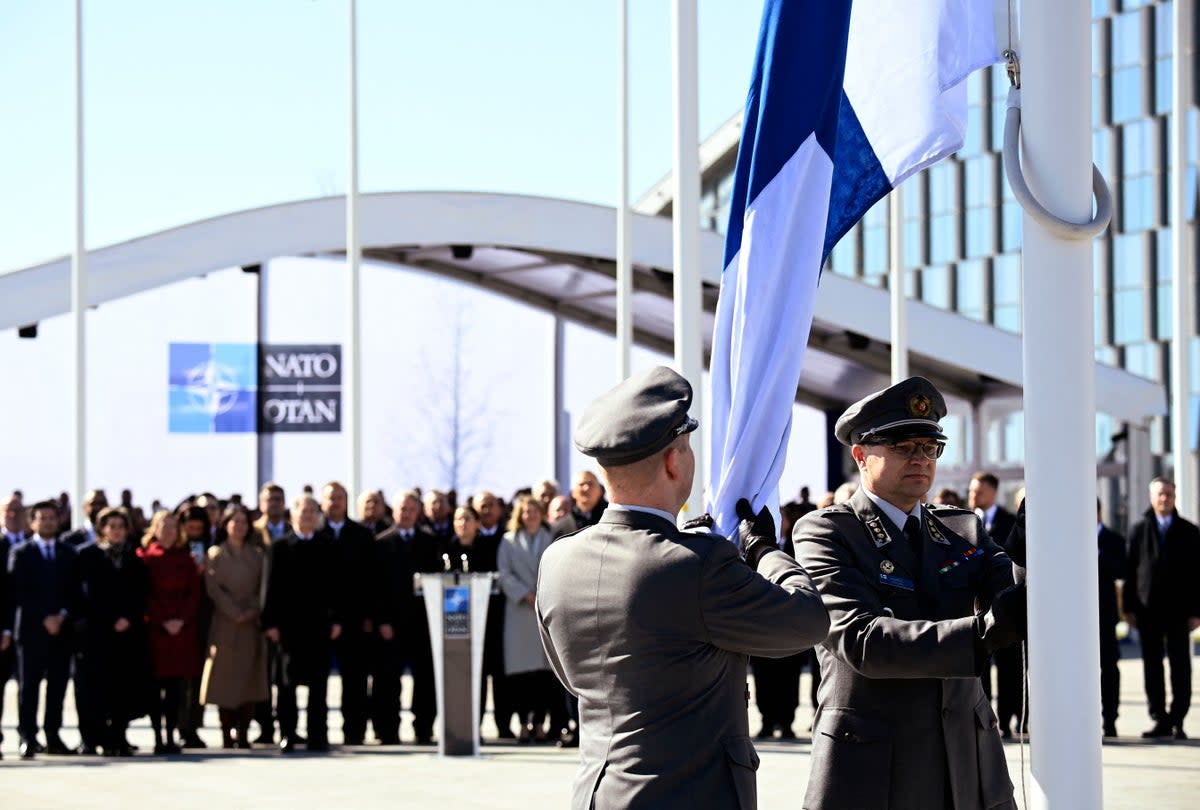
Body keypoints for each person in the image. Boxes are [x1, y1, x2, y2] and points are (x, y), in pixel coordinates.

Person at [538, 366, 829, 809]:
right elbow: (807, 621)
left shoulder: (559, 558)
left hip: (598, 794)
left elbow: (572, 676)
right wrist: (765, 552)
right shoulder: (697, 563)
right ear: (675, 461)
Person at [792, 376, 1025, 810]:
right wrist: (985, 632)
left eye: (929, 447)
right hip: (873, 770)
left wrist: (1032, 550)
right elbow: (862, 640)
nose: (920, 458)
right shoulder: (827, 532)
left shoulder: (963, 528)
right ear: (860, 455)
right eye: (903, 446)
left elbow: (1010, 593)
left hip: (966, 764)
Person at [1124, 477, 1200, 740]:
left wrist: (1196, 611)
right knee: (1152, 667)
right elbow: (1130, 573)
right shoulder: (1138, 530)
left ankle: (1178, 718)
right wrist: (1129, 609)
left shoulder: (1190, 532)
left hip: (1180, 612)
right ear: (1151, 497)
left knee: (1181, 667)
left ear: (1175, 496)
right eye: (1160, 494)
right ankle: (1159, 719)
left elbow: (1197, 574)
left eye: (1168, 494)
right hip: (1148, 610)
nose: (1164, 499)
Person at [263, 494, 341, 753]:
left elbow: (337, 588)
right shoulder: (280, 546)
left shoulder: (328, 545)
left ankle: (317, 734)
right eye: (303, 510)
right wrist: (270, 622)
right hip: (288, 628)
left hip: (319, 626)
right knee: (287, 685)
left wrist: (337, 620)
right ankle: (287, 733)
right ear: (293, 514)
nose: (308, 515)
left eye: (312, 511)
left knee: (319, 684)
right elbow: (270, 588)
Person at [7, 500, 81, 758]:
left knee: (58, 686)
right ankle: (27, 736)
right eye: (43, 518)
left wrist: (60, 616)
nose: (48, 522)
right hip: (31, 631)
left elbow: (74, 591)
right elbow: (18, 591)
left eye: (52, 518)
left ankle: (53, 734)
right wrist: (43, 617)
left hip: (61, 630)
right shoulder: (20, 552)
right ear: (32, 522)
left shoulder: (69, 553)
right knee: (29, 687)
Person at [74, 507, 151, 757]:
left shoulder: (134, 559)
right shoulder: (86, 556)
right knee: (91, 688)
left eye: (121, 526)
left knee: (122, 686)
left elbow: (141, 594)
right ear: (102, 529)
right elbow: (84, 595)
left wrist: (128, 618)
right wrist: (108, 619)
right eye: (111, 526)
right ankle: (90, 737)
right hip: (96, 633)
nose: (116, 531)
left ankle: (118, 735)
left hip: (126, 634)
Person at [373, 490, 446, 744]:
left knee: (425, 679)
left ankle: (423, 727)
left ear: (418, 513)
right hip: (391, 624)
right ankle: (387, 728)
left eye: (411, 509)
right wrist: (382, 620)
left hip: (422, 623)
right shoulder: (381, 543)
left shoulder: (430, 541)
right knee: (387, 679)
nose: (406, 514)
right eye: (402, 509)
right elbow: (375, 587)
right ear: (394, 512)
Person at [200, 505, 269, 749]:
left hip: (250, 626)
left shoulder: (258, 555)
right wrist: (234, 612)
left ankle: (243, 732)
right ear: (226, 524)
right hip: (225, 625)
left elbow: (262, 589)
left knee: (249, 680)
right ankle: (226, 733)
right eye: (234, 521)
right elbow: (214, 589)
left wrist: (251, 611)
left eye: (243, 522)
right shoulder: (215, 554)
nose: (239, 526)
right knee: (225, 681)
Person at [498, 494, 564, 743]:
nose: (531, 516)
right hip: (519, 613)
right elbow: (503, 574)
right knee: (521, 676)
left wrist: (542, 593)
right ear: (520, 515)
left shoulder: (552, 538)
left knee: (543, 675)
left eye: (535, 511)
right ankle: (523, 722)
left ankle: (539, 723)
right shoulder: (509, 541)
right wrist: (525, 594)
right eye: (526, 512)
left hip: (544, 608)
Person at [137, 510, 202, 754]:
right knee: (155, 687)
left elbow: (194, 594)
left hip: (181, 632)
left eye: (173, 527)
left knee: (176, 688)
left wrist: (181, 620)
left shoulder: (185, 559)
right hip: (156, 630)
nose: (168, 531)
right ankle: (157, 735)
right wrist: (163, 620)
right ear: (154, 529)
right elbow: (145, 594)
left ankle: (172, 734)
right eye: (163, 526)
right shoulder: (145, 557)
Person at [318, 480, 376, 746]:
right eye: (330, 498)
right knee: (316, 680)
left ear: (347, 501)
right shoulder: (314, 534)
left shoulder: (361, 535)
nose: (335, 502)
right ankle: (316, 733)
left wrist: (367, 617)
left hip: (354, 621)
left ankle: (355, 732)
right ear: (323, 502)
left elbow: (369, 581)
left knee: (355, 681)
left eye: (340, 497)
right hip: (320, 622)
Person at [969, 470, 1023, 737]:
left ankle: (1009, 719)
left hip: (1005, 608)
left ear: (992, 492)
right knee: (979, 669)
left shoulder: (1011, 523)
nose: (973, 495)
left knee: (1009, 669)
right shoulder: (963, 523)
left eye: (978, 491)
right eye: (971, 490)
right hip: (976, 611)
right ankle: (984, 718)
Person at [1096, 500, 1125, 738]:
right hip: (1074, 622)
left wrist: (1098, 556)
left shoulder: (1113, 539)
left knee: (1109, 669)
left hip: (1104, 617)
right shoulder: (1068, 539)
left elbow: (1122, 570)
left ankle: (1110, 719)